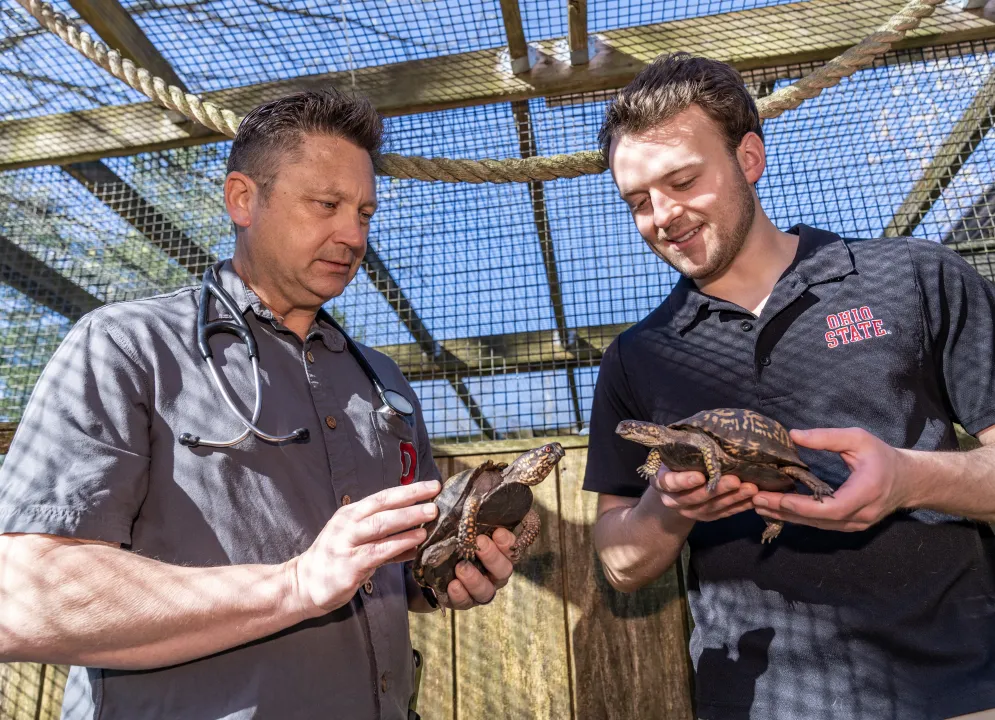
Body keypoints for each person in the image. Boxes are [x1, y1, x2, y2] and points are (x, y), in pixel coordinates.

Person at [0, 89, 518, 720]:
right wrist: (294, 585)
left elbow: (391, 572)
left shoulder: (385, 383)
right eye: (326, 204)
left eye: (364, 213)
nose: (352, 235)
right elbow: (22, 599)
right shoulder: (127, 346)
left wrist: (445, 575)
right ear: (243, 199)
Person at [585, 52, 995, 720]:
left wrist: (907, 477)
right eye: (637, 201)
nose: (663, 215)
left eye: (683, 180)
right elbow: (618, 560)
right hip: (760, 702)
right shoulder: (637, 356)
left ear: (748, 158)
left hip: (958, 692)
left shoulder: (913, 277)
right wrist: (669, 503)